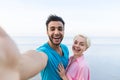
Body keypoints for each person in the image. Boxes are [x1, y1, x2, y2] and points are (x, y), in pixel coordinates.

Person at [0, 14, 69, 80]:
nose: (56, 32)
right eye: (52, 29)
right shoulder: (44, 52)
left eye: (60, 29)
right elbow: (37, 58)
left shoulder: (65, 48)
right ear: (47, 32)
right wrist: (15, 67)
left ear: (64, 31)